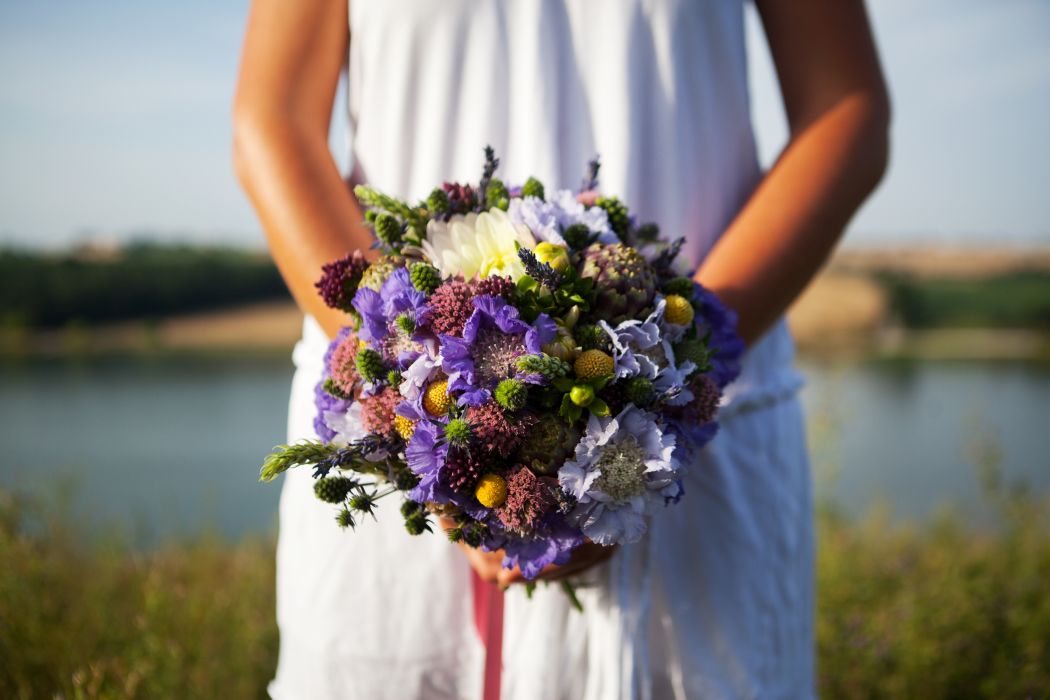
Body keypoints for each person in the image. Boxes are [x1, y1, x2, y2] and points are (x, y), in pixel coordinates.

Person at [233, 1, 889, 698]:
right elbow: (276, 119)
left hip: (693, 445)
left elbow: (845, 109)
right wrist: (400, 377)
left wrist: (671, 371)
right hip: (404, 436)